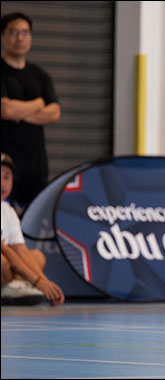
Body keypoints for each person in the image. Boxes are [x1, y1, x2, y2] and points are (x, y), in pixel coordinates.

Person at [1, 13, 61, 211]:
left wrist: (19, 112)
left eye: (25, 33)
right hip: (5, 167)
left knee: (33, 223)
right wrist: (37, 104)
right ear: (3, 37)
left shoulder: (40, 76)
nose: (20, 38)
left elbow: (54, 113)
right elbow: (5, 109)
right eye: (14, 32)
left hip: (35, 166)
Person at [1, 152, 65, 306]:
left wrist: (46, 283)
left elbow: (20, 251)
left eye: (6, 177)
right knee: (2, 262)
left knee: (37, 256)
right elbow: (6, 250)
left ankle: (12, 287)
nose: (2, 183)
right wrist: (38, 282)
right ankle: (11, 287)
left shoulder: (8, 211)